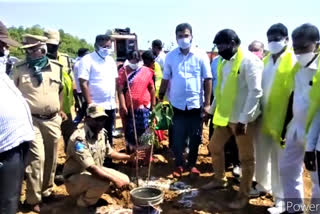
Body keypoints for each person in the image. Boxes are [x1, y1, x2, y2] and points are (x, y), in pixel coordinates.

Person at [203, 29, 263, 209]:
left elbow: (255, 92)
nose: (219, 49)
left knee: (246, 159)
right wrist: (211, 110)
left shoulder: (250, 61)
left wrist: (244, 120)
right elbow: (220, 90)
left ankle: (243, 195)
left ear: (232, 42)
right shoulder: (223, 61)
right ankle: (220, 179)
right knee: (214, 146)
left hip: (242, 120)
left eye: (221, 45)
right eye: (217, 46)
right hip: (225, 117)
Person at [11, 34, 66, 213]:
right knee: (37, 158)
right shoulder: (19, 68)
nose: (31, 53)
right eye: (28, 50)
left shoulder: (56, 68)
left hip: (52, 120)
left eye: (35, 49)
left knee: (51, 157)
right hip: (30, 120)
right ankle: (32, 198)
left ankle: (47, 191)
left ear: (43, 49)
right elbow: (11, 94)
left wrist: (59, 109)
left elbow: (61, 90)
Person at [63, 104, 144, 208]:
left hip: (93, 172)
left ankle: (95, 192)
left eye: (102, 119)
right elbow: (92, 168)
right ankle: (84, 203)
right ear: (87, 119)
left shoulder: (101, 133)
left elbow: (110, 153)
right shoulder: (79, 140)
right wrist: (114, 180)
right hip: (74, 179)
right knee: (103, 182)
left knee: (125, 180)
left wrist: (129, 157)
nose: (100, 122)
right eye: (96, 119)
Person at [158, 23, 212, 177]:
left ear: (192, 36)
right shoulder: (170, 56)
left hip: (196, 105)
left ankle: (192, 164)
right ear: (176, 38)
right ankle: (179, 164)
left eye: (186, 35)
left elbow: (207, 79)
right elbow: (166, 78)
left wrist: (207, 104)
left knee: (195, 137)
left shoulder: (201, 55)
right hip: (177, 105)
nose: (183, 39)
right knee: (177, 137)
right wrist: (160, 96)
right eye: (180, 36)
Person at [255, 23, 296, 214]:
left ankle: (282, 200)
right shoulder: (265, 60)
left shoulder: (293, 61)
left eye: (277, 39)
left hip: (284, 120)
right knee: (262, 154)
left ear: (286, 40)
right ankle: (263, 185)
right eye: (270, 39)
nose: (272, 43)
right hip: (264, 117)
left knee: (281, 161)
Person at [279, 23, 320, 214]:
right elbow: (292, 97)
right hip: (296, 127)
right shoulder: (298, 68)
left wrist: (311, 148)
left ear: (317, 45)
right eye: (295, 48)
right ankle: (293, 209)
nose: (298, 52)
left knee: (317, 181)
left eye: (303, 48)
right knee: (287, 169)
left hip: (316, 134)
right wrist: (284, 125)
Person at [0, 20, 33, 214]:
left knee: (10, 199)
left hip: (14, 145)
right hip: (4, 149)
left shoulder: (3, 70)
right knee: (5, 203)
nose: (5, 48)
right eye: (1, 43)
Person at [78, 34, 118, 152]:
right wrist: (91, 104)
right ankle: (94, 160)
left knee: (108, 132)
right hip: (96, 105)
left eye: (109, 46)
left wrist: (115, 101)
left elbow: (114, 82)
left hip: (109, 104)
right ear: (96, 46)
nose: (107, 49)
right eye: (104, 47)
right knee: (94, 133)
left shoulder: (110, 61)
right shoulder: (87, 60)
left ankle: (107, 160)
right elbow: (83, 83)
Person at [117, 51, 156, 149]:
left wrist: (153, 105)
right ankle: (132, 156)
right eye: (132, 60)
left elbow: (152, 88)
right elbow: (120, 90)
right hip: (129, 108)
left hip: (144, 107)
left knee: (146, 132)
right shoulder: (123, 71)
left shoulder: (146, 71)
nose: (135, 62)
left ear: (140, 60)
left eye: (137, 60)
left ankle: (146, 156)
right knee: (130, 131)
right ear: (128, 60)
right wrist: (122, 105)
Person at [44, 29, 75, 146]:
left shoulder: (65, 58)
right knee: (51, 139)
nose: (52, 48)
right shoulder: (39, 61)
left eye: (54, 45)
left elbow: (70, 79)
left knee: (70, 135)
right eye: (49, 45)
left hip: (66, 107)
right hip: (48, 108)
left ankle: (70, 161)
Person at [73, 48, 90, 125]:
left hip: (80, 89)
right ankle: (77, 121)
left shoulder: (77, 62)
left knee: (84, 107)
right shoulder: (80, 64)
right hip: (83, 90)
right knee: (85, 107)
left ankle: (77, 120)